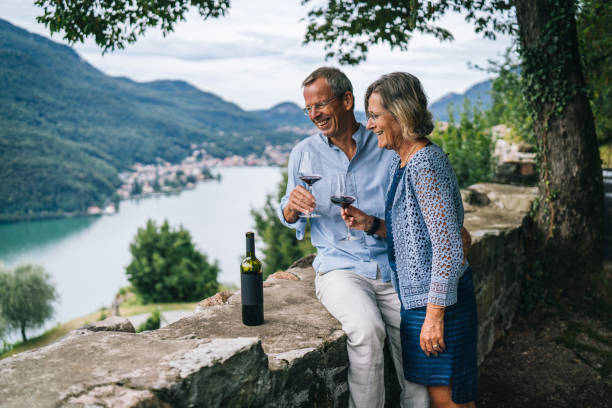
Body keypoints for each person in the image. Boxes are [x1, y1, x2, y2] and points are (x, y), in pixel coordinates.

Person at [277, 67, 429, 407]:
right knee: (365, 331)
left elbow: (411, 219)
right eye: (309, 108)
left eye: (321, 104)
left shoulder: (387, 146)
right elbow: (288, 213)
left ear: (347, 100)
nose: (314, 114)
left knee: (417, 342)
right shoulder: (304, 153)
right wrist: (293, 207)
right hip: (339, 268)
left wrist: (373, 223)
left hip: (392, 265)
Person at [342, 72, 478, 407]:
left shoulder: (424, 165)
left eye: (374, 115)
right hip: (422, 303)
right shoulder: (401, 163)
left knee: (450, 401)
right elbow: (415, 235)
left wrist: (434, 317)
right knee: (441, 397)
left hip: (440, 305)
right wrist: (372, 224)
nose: (369, 124)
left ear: (400, 114)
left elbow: (447, 247)